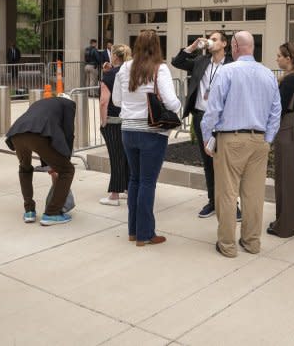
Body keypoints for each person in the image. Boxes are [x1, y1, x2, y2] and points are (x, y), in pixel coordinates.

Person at [201, 31, 282, 258]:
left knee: (227, 193)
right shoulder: (268, 75)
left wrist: (207, 137)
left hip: (232, 138)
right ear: (253, 47)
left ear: (235, 46)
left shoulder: (227, 72)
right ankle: (251, 242)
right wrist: (267, 138)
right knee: (254, 195)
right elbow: (276, 112)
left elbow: (213, 109)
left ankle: (227, 245)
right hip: (259, 140)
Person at [112, 30, 181, 246]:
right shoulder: (160, 69)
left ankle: (133, 231)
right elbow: (170, 101)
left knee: (134, 179)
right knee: (147, 182)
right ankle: (145, 234)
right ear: (157, 46)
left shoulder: (124, 67)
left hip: (128, 131)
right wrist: (179, 107)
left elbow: (116, 100)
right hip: (152, 132)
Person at [171, 31, 234, 218]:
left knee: (225, 163)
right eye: (210, 39)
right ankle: (213, 202)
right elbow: (177, 62)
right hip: (201, 117)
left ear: (224, 44)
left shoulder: (232, 65)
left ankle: (231, 204)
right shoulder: (201, 61)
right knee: (208, 162)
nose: (211, 42)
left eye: (215, 39)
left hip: (222, 119)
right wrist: (192, 47)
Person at [6, 95, 77, 225]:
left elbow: (45, 133)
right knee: (68, 170)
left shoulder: (43, 102)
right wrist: (64, 161)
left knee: (25, 168)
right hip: (37, 135)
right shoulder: (69, 104)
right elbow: (67, 134)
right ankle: (52, 213)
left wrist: (49, 165)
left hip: (16, 133)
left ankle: (29, 212)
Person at [268, 42, 294, 238]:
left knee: (286, 179)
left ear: (289, 59)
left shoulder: (291, 79)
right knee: (288, 178)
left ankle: (284, 226)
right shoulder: (292, 77)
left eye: (279, 55)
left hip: (287, 127)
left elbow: (280, 107)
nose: (277, 58)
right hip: (290, 126)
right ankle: (285, 222)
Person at [99, 44, 131, 206]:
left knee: (116, 156)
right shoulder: (130, 72)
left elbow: (104, 101)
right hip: (129, 119)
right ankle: (127, 189)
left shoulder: (110, 75)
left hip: (112, 119)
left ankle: (114, 195)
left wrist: (103, 122)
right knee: (126, 156)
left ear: (115, 56)